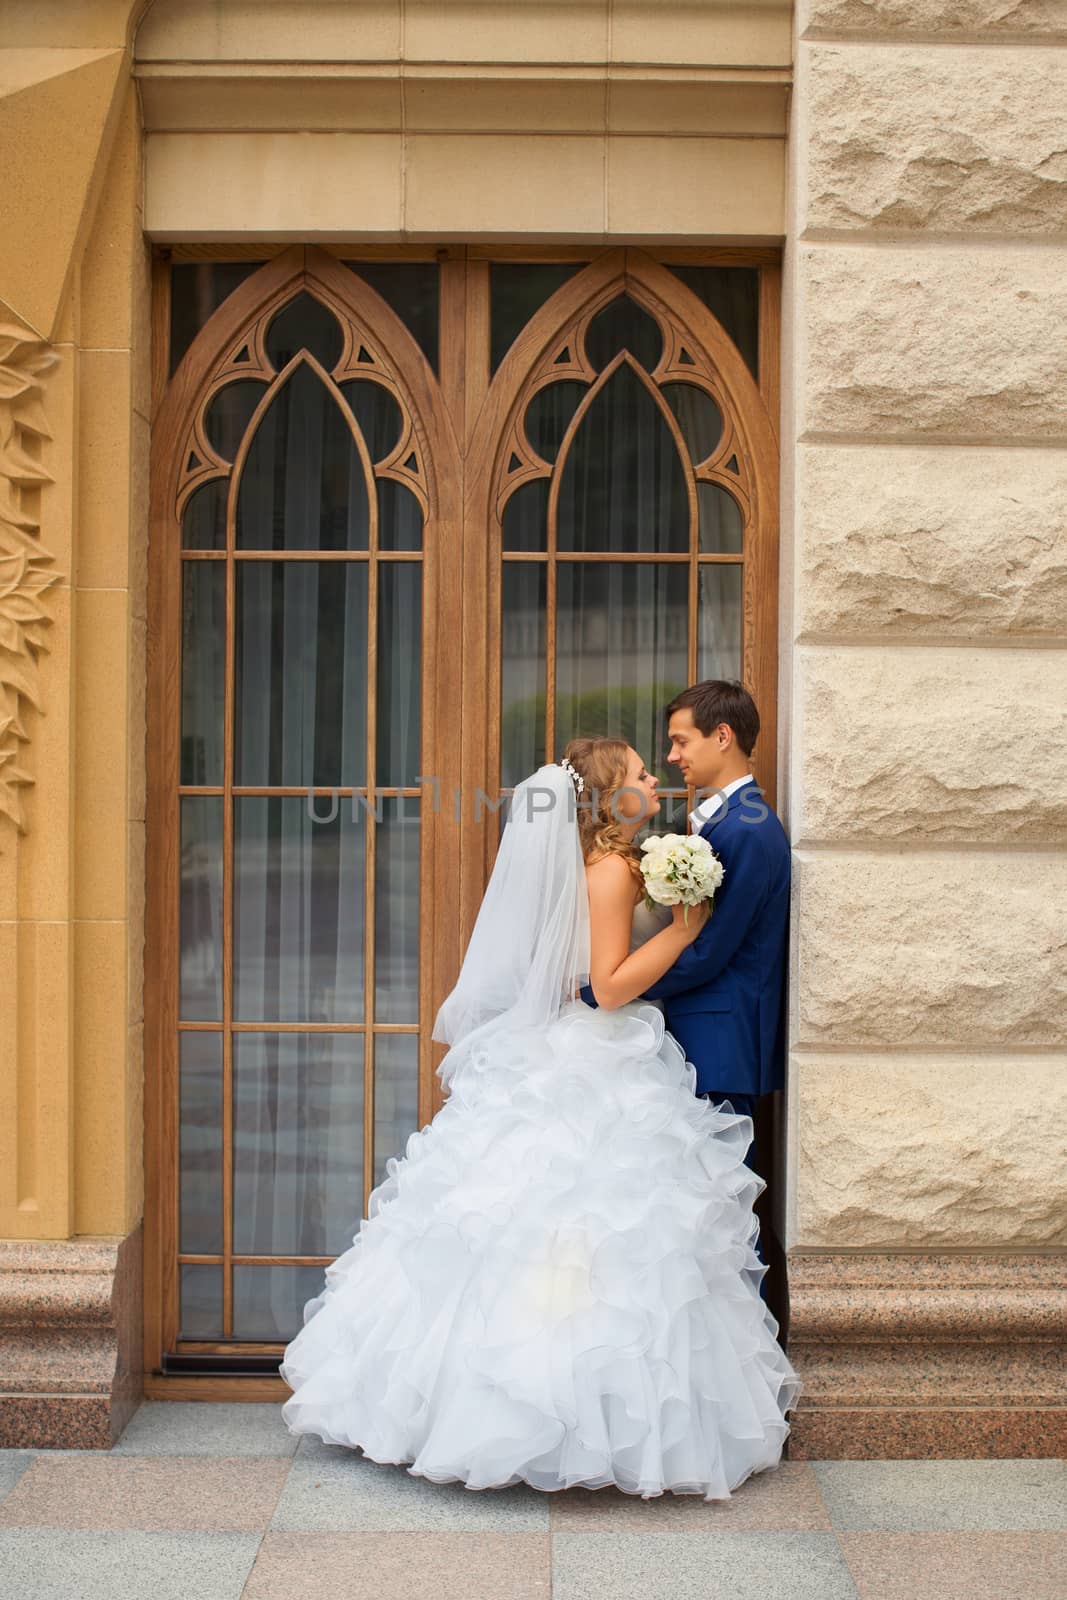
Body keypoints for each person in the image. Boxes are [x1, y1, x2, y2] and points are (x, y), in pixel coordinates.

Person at [279, 738, 798, 1500]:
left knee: (526, 1222)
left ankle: (484, 1402)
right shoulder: (614, 870)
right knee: (605, 1230)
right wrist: (684, 931)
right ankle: (586, 1413)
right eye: (638, 774)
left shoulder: (593, 865)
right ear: (609, 797)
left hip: (553, 1049)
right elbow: (612, 988)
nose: (653, 778)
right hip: (600, 1052)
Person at [641, 682, 790, 1134]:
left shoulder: (748, 829)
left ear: (722, 736)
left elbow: (710, 950)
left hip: (722, 1047)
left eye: (681, 741)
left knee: (719, 1196)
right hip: (706, 1041)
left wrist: (609, 992)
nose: (671, 756)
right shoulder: (728, 823)